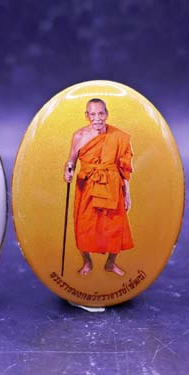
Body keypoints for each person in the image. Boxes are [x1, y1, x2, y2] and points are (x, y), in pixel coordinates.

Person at [64, 98, 134, 277]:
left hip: (112, 186)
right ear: (86, 115)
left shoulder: (119, 137)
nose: (97, 118)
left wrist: (127, 194)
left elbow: (124, 168)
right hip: (87, 187)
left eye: (101, 113)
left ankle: (111, 263)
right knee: (84, 226)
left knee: (115, 226)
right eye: (93, 114)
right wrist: (68, 171)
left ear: (106, 114)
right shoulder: (79, 136)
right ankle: (87, 262)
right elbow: (71, 160)